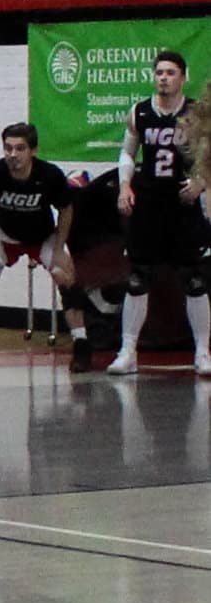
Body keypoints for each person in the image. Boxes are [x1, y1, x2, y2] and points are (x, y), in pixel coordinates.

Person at [110, 50, 207, 378]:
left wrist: (200, 183)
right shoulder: (139, 112)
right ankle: (128, 352)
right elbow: (127, 151)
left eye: (170, 72)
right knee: (137, 277)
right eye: (159, 72)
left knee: (195, 280)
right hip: (149, 202)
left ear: (183, 77)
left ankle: (203, 352)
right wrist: (125, 185)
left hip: (182, 203)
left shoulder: (197, 112)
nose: (163, 78)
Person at [0, 123, 78, 374]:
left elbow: (66, 210)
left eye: (19, 149)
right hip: (4, 235)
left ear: (33, 151)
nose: (13, 155)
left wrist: (59, 248)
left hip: (42, 236)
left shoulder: (49, 175)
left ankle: (82, 345)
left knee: (67, 278)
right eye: (8, 148)